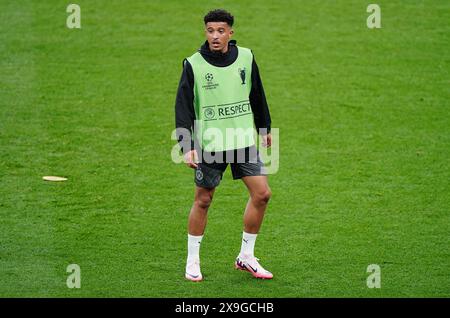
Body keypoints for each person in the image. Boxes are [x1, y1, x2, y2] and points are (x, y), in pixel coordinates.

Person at [175, 9, 273, 281]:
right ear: (205, 32)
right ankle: (192, 260)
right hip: (210, 143)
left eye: (220, 31)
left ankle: (246, 256)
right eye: (210, 31)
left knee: (262, 194)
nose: (215, 36)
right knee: (203, 200)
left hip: (243, 141)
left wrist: (264, 127)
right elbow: (182, 107)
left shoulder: (246, 57)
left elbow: (256, 92)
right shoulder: (194, 64)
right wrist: (187, 145)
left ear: (230, 32)